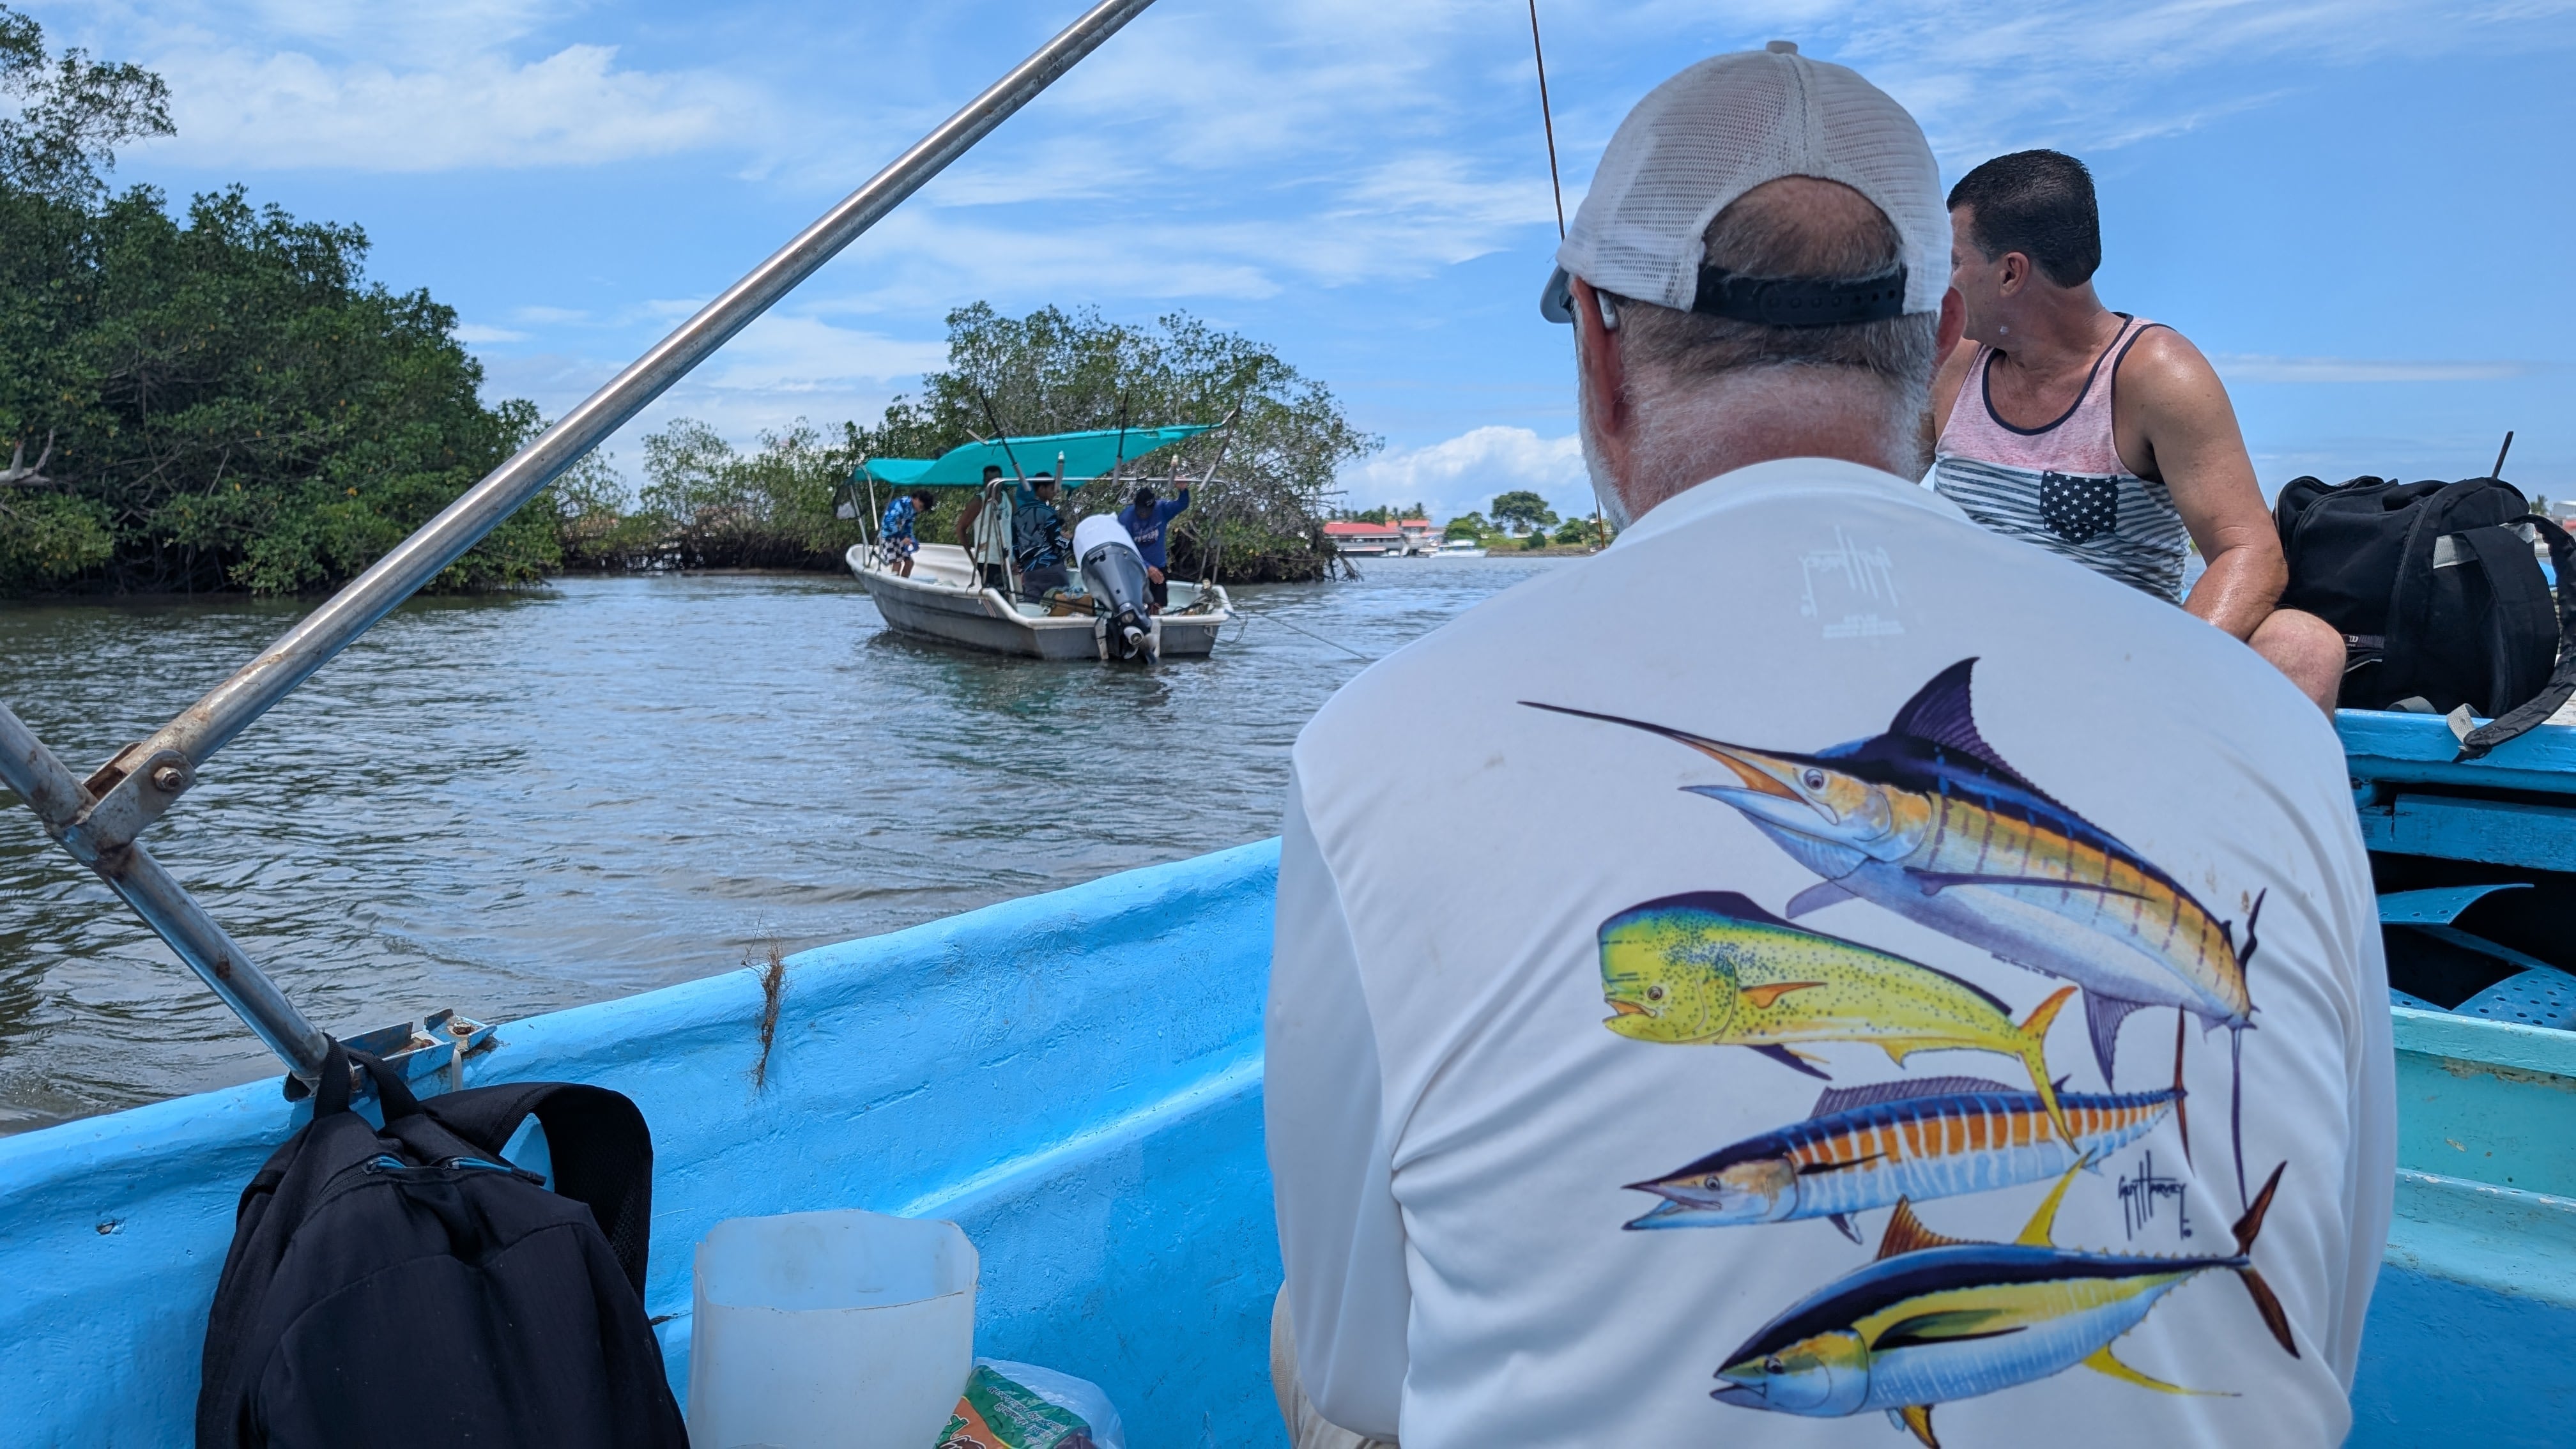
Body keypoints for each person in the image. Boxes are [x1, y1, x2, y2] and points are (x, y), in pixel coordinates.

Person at [1265, 43, 2393, 1449]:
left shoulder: (1369, 747)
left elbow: (1363, 1366)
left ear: (1600, 349)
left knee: (1299, 1344)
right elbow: (2333, 1314)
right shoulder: (2278, 738)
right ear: (1938, 342)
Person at [1931, 150, 2345, 712]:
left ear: (2010, 273)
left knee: (2304, 642)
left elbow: (2248, 552)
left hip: (2113, 686)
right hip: (1960, 674)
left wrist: (2162, 677)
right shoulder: (1952, 364)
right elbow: (1862, 494)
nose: (1943, 282)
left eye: (1953, 262)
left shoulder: (2155, 376)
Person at [1117, 480, 1190, 610]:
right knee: (1135, 607)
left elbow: (1182, 504)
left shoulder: (1162, 509)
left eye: (1147, 511)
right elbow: (1123, 550)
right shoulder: (1125, 519)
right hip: (1135, 568)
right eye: (1141, 510)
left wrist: (1183, 490)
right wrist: (1147, 567)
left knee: (1158, 606)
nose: (1144, 514)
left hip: (1158, 567)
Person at [1011, 471, 1071, 597]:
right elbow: (1056, 541)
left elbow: (1015, 546)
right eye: (1052, 488)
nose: (1055, 492)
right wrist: (1073, 544)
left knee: (1034, 607)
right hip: (1051, 569)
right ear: (1041, 489)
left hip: (1030, 572)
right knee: (1061, 605)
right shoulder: (1047, 512)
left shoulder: (1017, 515)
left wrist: (1021, 567)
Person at [878, 489, 933, 578]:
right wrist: (902, 537)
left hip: (899, 537)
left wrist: (911, 539)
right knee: (897, 562)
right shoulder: (900, 504)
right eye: (921, 507)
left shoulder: (913, 510)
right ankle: (894, 584)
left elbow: (908, 526)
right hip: (888, 537)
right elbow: (889, 522)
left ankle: (903, 583)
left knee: (910, 562)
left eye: (922, 509)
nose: (920, 510)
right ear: (917, 499)